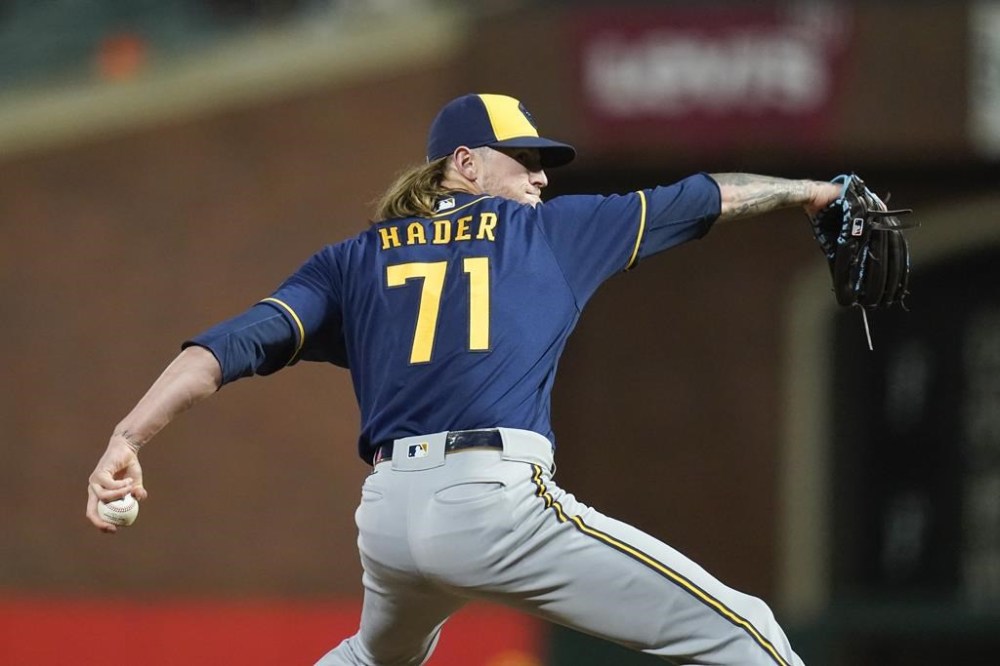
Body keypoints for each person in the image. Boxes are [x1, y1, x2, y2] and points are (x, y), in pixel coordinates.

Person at [87, 92, 840, 665]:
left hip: (388, 520)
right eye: (526, 158)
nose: (542, 178)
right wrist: (812, 191)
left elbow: (223, 350)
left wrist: (129, 436)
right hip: (491, 502)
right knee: (746, 633)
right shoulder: (547, 232)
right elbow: (707, 195)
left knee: (372, 658)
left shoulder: (350, 260)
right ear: (466, 163)